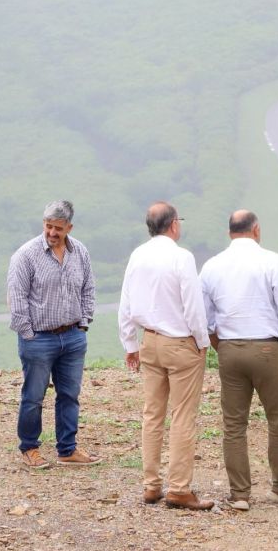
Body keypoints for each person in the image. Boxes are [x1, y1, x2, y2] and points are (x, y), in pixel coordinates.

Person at [200, 210, 278, 511]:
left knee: (234, 424)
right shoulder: (272, 261)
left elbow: (205, 318)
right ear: (256, 230)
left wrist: (220, 345)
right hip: (269, 347)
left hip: (230, 349)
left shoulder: (211, 266)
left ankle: (240, 494)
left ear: (229, 231)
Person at [118, 202, 213, 510]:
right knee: (183, 415)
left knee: (152, 414)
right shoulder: (181, 257)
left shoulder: (137, 255)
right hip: (180, 342)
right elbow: (192, 304)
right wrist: (202, 341)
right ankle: (180, 488)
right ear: (173, 225)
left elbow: (126, 302)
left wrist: (130, 344)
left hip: (149, 341)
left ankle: (151, 485)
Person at [7, 200, 100, 469]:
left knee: (69, 395)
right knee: (34, 397)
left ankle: (67, 449)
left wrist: (84, 322)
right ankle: (30, 448)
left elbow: (89, 288)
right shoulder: (25, 255)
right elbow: (17, 298)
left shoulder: (79, 251)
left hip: (72, 335)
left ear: (69, 227)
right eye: (48, 226)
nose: (52, 232)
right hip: (38, 338)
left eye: (58, 228)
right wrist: (28, 334)